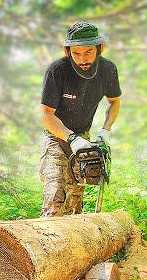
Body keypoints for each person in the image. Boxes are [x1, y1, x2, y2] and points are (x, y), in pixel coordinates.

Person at [39, 21, 122, 216]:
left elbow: (114, 102)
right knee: (55, 196)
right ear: (67, 51)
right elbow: (46, 115)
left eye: (88, 52)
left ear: (99, 48)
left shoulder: (108, 70)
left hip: (83, 136)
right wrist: (71, 138)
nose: (82, 59)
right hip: (55, 137)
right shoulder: (57, 71)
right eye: (76, 53)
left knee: (74, 202)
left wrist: (105, 130)